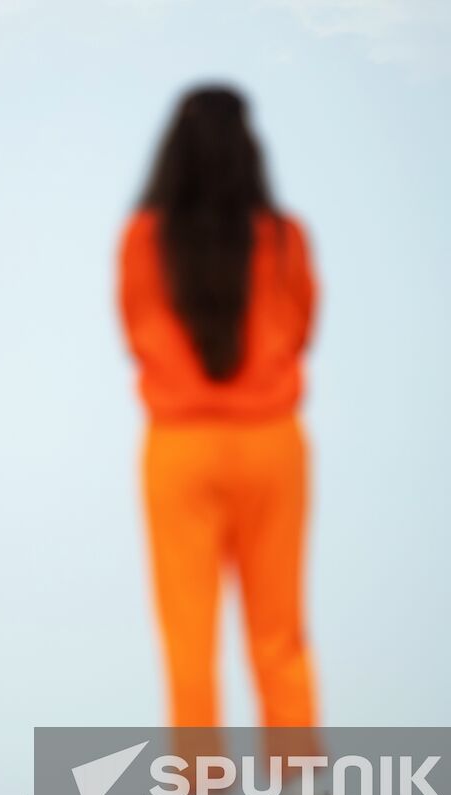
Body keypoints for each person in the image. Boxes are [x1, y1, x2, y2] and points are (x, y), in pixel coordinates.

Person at [118, 86, 319, 732]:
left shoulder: (143, 240)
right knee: (279, 631)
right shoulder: (285, 238)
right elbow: (302, 327)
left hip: (180, 446)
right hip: (271, 443)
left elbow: (133, 331)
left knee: (188, 637)